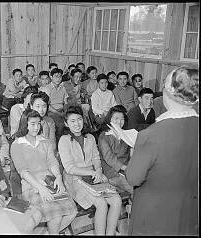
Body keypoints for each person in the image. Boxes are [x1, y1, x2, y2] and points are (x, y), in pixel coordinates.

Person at [125, 66, 199, 235]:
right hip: (189, 212)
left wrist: (134, 153)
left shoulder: (151, 134)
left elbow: (134, 178)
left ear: (168, 93)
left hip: (156, 216)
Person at [11, 109, 77, 234]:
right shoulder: (17, 144)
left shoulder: (44, 141)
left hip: (50, 182)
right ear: (25, 124)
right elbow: (23, 172)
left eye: (39, 123)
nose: (36, 127)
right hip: (31, 185)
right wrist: (41, 188)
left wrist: (58, 178)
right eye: (32, 124)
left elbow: (52, 162)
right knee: (56, 215)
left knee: (72, 212)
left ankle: (50, 232)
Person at [58, 105, 122, 235]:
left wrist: (98, 171)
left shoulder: (90, 137)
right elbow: (69, 168)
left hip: (93, 177)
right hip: (74, 180)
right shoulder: (64, 140)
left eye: (79, 119)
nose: (77, 124)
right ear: (66, 123)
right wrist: (92, 172)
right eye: (72, 121)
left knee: (117, 200)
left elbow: (96, 158)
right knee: (101, 204)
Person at [97, 105, 133, 194]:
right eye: (116, 118)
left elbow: (129, 155)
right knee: (134, 188)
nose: (119, 122)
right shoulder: (104, 136)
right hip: (112, 171)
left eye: (122, 119)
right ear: (110, 119)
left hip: (126, 169)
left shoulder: (125, 134)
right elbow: (109, 159)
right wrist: (126, 168)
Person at [40, 68, 68, 141]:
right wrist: (59, 113)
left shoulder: (63, 88)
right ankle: (58, 142)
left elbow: (65, 102)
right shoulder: (47, 89)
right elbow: (46, 106)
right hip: (51, 112)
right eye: (56, 76)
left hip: (62, 111)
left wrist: (65, 111)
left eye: (60, 77)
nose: (58, 79)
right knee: (60, 124)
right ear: (51, 77)